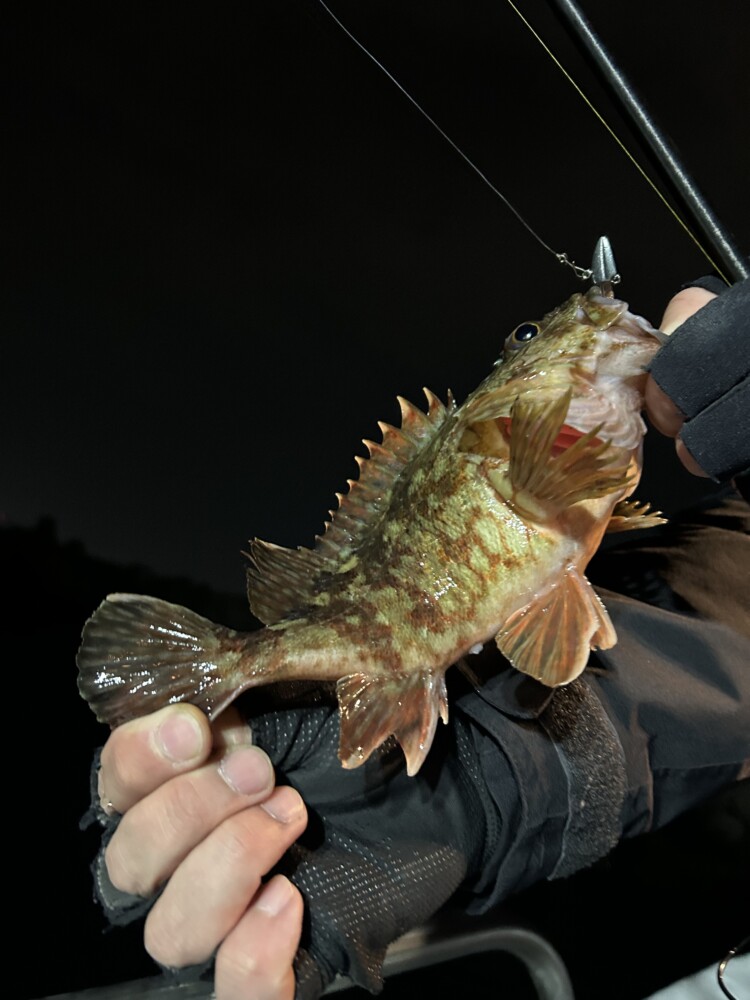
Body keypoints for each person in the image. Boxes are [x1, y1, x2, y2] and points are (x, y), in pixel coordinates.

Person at [83, 276, 750, 1000]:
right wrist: (488, 772)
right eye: (527, 338)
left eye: (531, 337)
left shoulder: (559, 454)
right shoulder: (526, 442)